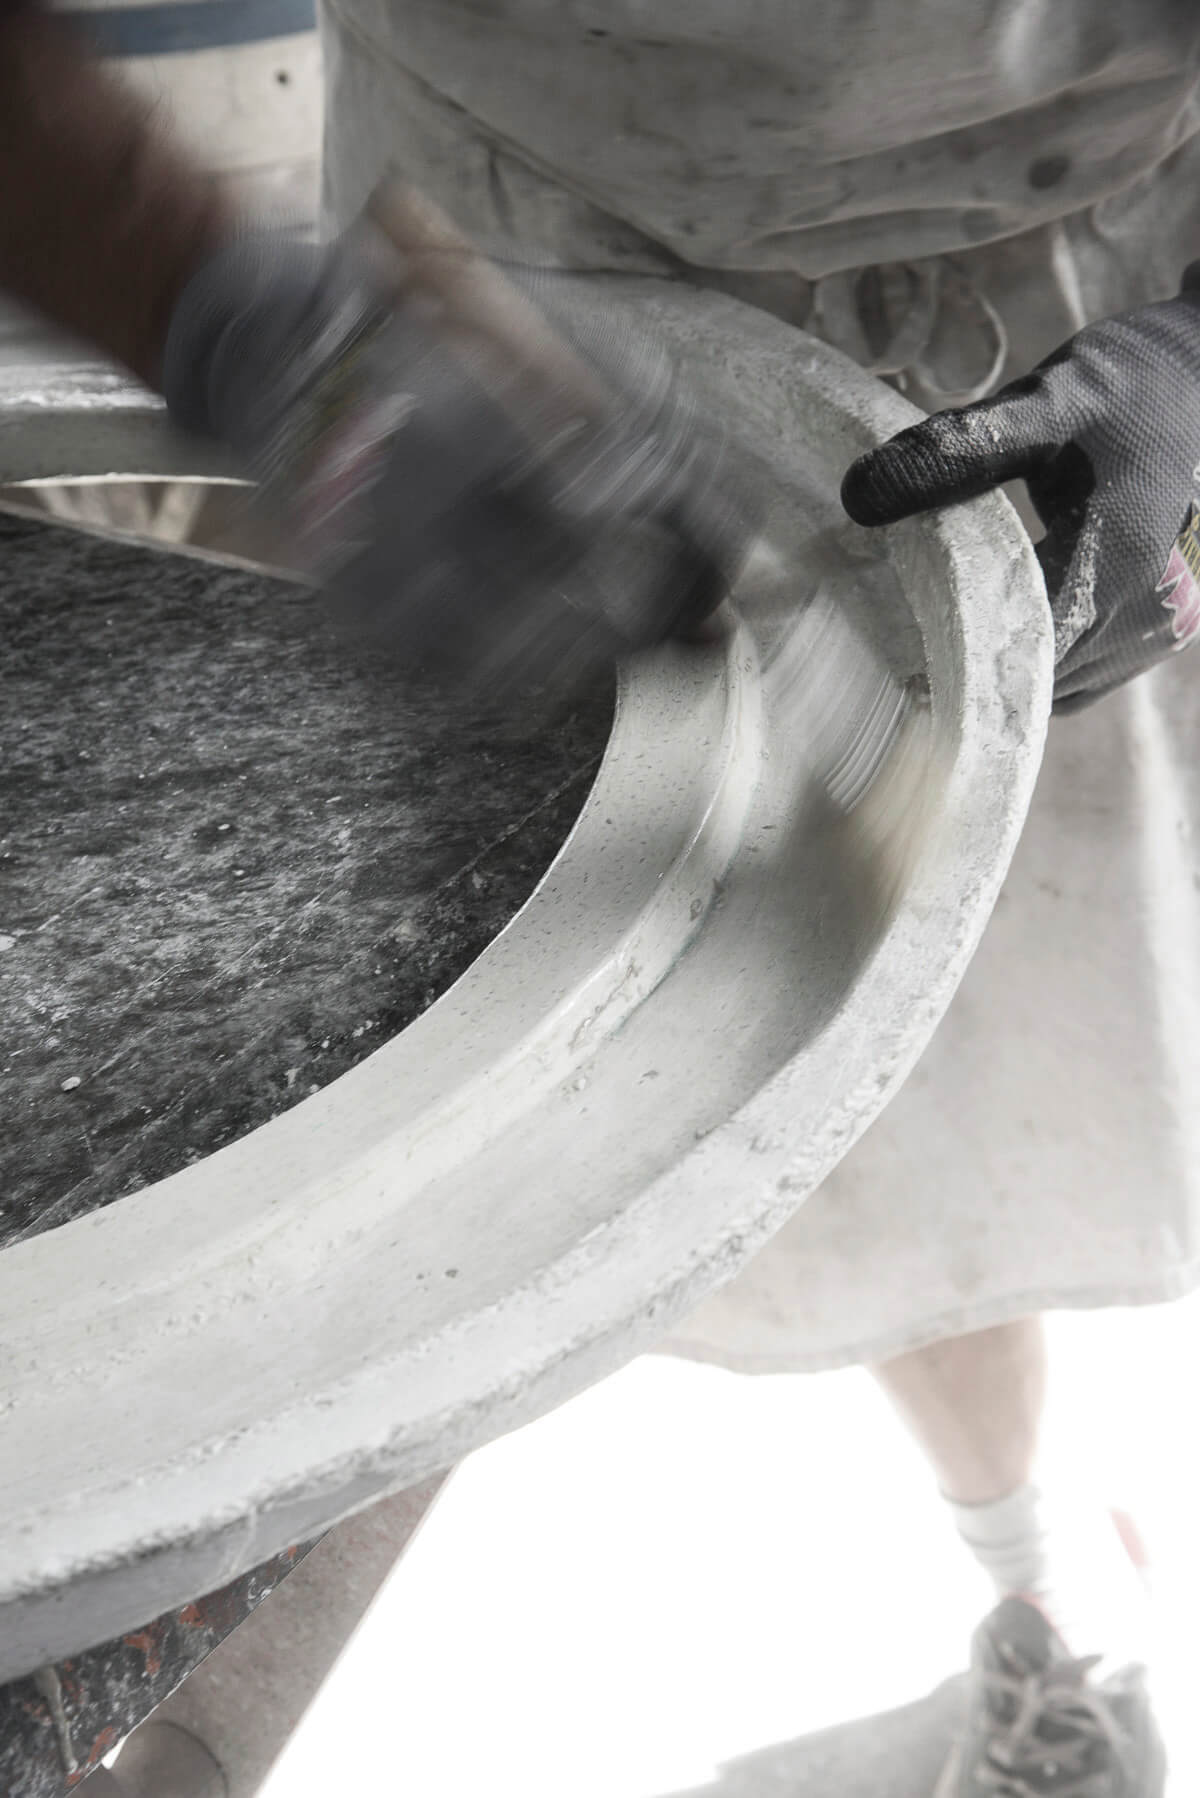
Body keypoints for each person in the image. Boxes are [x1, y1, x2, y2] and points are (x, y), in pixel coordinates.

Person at [4, 5, 1199, 1794]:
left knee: (949, 1064)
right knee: (435, 1098)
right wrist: (228, 318)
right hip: (515, 271)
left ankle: (1050, 1598)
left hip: (1055, 319)